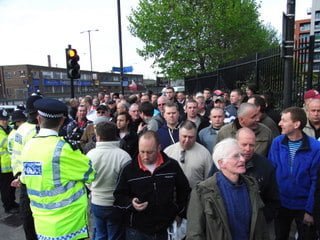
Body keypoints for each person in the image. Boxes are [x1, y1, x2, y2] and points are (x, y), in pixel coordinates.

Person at [20, 98, 96, 240]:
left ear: (38, 119)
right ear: (62, 121)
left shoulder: (28, 147)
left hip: (42, 227)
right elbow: (90, 173)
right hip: (69, 226)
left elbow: (25, 178)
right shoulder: (63, 149)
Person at [113, 131, 191, 240]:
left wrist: (179, 212)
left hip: (165, 228)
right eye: (142, 151)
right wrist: (131, 203)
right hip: (137, 230)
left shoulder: (172, 166)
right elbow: (118, 197)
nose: (145, 156)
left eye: (150, 152)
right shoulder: (128, 169)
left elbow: (184, 190)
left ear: (159, 148)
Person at [187, 138, 269, 240]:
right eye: (236, 156)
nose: (242, 159)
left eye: (242, 155)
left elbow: (261, 227)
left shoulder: (252, 185)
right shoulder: (203, 191)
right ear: (221, 163)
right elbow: (195, 234)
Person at [268, 107, 320, 239]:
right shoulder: (277, 143)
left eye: (284, 120)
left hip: (303, 206)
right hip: (281, 204)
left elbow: (316, 181)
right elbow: (271, 171)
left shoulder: (315, 148)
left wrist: (310, 210)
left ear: (296, 124)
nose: (279, 123)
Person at [86, 121, 131, 240]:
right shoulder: (124, 156)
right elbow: (127, 182)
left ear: (98, 136)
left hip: (97, 201)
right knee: (115, 235)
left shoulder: (90, 155)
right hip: (116, 204)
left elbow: (86, 179)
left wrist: (93, 188)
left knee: (99, 234)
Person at [11, 94, 42, 240]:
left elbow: (15, 155)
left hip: (23, 179)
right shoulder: (36, 131)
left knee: (27, 218)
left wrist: (18, 175)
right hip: (35, 182)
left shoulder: (21, 129)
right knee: (36, 217)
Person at [164, 120, 212, 189]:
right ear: (179, 135)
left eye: (190, 137)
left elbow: (209, 180)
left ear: (195, 136)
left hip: (195, 196)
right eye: (184, 136)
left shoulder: (205, 154)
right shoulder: (168, 152)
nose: (187, 140)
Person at [0, 109, 19, 214]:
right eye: (2, 120)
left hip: (10, 164)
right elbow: (6, 143)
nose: (5, 121)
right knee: (5, 188)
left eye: (6, 119)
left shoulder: (9, 129)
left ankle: (12, 203)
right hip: (3, 166)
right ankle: (8, 206)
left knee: (11, 187)